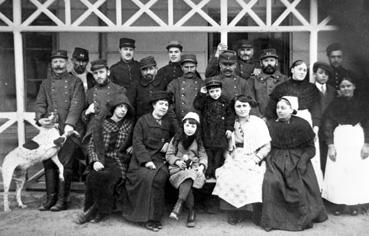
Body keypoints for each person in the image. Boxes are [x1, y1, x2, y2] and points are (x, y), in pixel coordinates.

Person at [261, 96, 328, 231]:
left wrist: (303, 161)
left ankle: (301, 218)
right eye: (278, 108)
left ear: (292, 110)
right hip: (276, 158)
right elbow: (266, 146)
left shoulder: (302, 124)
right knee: (271, 182)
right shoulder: (270, 124)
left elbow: (311, 148)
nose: (279, 111)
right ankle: (275, 220)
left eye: (283, 108)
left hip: (298, 158)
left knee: (298, 184)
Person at [35, 50, 85, 211]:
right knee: (49, 162)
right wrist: (40, 118)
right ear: (52, 64)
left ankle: (62, 200)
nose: (58, 65)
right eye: (55, 62)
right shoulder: (45, 83)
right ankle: (50, 199)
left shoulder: (75, 82)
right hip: (51, 130)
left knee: (65, 163)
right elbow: (40, 104)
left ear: (67, 63)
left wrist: (70, 124)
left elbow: (77, 105)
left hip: (68, 130)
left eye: (61, 61)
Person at [75, 94, 134, 224]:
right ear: (113, 108)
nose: (123, 110)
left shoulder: (129, 125)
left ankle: (92, 212)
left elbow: (137, 139)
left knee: (109, 177)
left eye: (125, 107)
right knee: (93, 176)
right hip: (102, 158)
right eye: (120, 107)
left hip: (119, 160)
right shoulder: (101, 124)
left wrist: (133, 146)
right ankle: (98, 210)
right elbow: (91, 145)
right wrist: (95, 161)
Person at [212, 95, 271, 225]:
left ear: (250, 107)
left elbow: (267, 146)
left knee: (253, 177)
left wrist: (256, 159)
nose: (242, 109)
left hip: (252, 156)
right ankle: (234, 211)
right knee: (228, 175)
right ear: (234, 108)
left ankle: (252, 211)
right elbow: (224, 145)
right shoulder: (230, 122)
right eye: (238, 106)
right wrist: (227, 158)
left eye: (245, 105)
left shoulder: (258, 122)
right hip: (234, 155)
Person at [264, 60, 323, 188]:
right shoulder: (281, 87)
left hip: (306, 122)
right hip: (286, 122)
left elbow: (316, 109)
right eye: (299, 69)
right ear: (292, 70)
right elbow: (272, 109)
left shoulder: (311, 88)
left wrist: (316, 128)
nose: (302, 72)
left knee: (307, 152)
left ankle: (310, 187)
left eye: (304, 70)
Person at [123, 91, 176, 232]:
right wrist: (146, 161)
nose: (164, 107)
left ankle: (154, 218)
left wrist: (169, 145)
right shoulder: (143, 120)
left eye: (166, 104)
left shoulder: (168, 122)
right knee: (142, 178)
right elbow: (137, 142)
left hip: (160, 159)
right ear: (154, 105)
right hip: (141, 159)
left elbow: (178, 136)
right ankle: (139, 216)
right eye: (161, 104)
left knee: (159, 178)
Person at [322, 77, 369, 216]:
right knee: (339, 170)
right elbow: (328, 124)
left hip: (357, 137)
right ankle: (339, 203)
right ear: (339, 89)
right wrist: (330, 145)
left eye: (348, 86)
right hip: (340, 137)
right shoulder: (334, 104)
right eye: (342, 87)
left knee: (355, 170)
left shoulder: (363, 104)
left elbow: (367, 124)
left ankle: (354, 204)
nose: (346, 89)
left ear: (354, 87)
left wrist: (366, 144)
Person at [82, 59, 127, 167]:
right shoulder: (90, 93)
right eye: (95, 73)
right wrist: (87, 112)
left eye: (101, 72)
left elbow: (125, 115)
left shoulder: (119, 90)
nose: (99, 76)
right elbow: (82, 116)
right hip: (93, 134)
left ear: (108, 72)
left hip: (112, 135)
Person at [166, 112, 207, 227]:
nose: (189, 129)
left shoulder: (198, 141)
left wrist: (202, 166)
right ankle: (191, 211)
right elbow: (169, 155)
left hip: (193, 168)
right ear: (183, 125)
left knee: (189, 175)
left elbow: (203, 156)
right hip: (178, 168)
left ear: (197, 128)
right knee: (187, 177)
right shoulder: (176, 138)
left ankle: (179, 205)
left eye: (193, 126)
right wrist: (177, 161)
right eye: (187, 125)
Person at [193, 77, 234, 178]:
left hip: (220, 132)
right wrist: (201, 94)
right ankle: (208, 171)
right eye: (212, 91)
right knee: (209, 153)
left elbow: (230, 115)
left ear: (221, 90)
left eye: (217, 91)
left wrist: (229, 128)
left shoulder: (225, 100)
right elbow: (197, 105)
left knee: (219, 154)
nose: (215, 94)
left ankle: (216, 172)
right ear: (208, 92)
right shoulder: (205, 100)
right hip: (208, 131)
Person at [312, 62, 336, 175]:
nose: (323, 76)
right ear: (314, 74)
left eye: (326, 74)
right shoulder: (309, 90)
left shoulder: (333, 91)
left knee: (330, 160)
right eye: (321, 73)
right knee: (318, 159)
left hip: (331, 130)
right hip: (315, 130)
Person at [167, 54, 204, 124]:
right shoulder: (174, 84)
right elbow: (170, 107)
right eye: (186, 67)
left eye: (192, 67)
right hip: (180, 123)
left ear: (196, 67)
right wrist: (176, 125)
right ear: (182, 68)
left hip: (198, 124)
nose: (189, 70)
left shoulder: (202, 84)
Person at [249, 48, 288, 116]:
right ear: (261, 63)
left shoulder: (284, 80)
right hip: (260, 120)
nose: (269, 63)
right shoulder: (253, 80)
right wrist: (259, 118)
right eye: (266, 61)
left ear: (276, 63)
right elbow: (251, 102)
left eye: (272, 60)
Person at [110, 37, 141, 104]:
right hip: (121, 104)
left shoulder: (140, 66)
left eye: (131, 50)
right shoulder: (114, 69)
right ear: (120, 51)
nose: (128, 52)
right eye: (125, 49)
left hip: (139, 105)